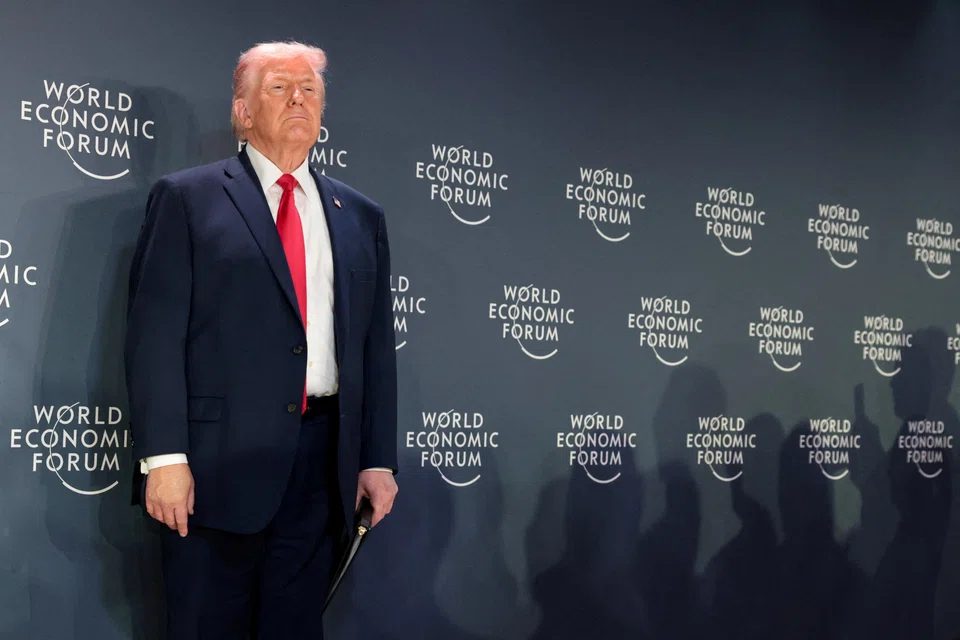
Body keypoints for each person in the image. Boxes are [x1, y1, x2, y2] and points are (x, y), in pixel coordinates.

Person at [124, 40, 398, 639]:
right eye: (278, 87)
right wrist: (165, 459)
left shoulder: (360, 215)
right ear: (243, 113)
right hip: (214, 469)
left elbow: (375, 349)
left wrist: (375, 457)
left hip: (322, 466)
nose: (298, 99)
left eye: (310, 90)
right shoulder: (188, 198)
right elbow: (155, 336)